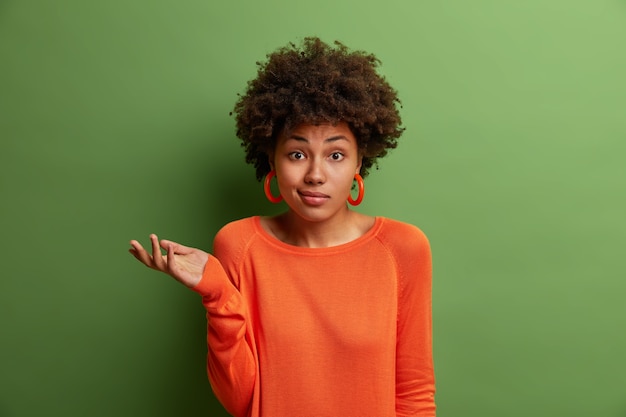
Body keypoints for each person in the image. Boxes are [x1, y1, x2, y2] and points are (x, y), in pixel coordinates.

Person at [129, 37, 435, 417]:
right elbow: (241, 400)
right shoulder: (239, 244)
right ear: (271, 158)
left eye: (336, 155)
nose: (316, 174)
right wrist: (217, 294)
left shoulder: (402, 248)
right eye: (297, 153)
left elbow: (414, 392)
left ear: (359, 162)